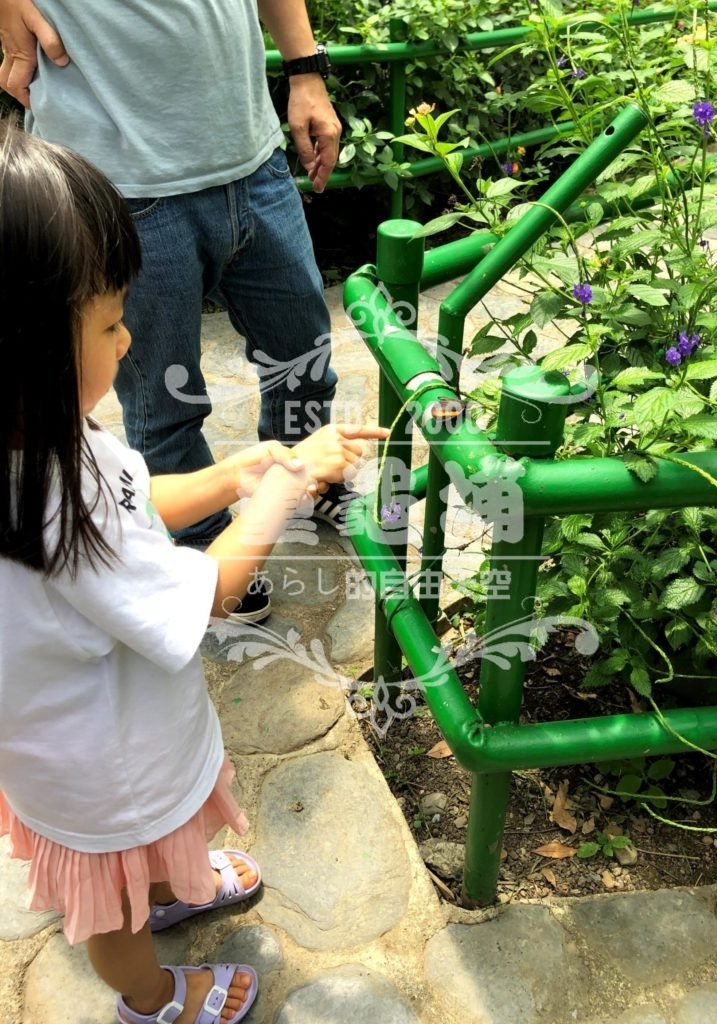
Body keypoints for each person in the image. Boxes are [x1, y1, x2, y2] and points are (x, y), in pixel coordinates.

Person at [0, 123, 386, 1024]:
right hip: (105, 768)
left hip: (72, 736)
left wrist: (228, 475)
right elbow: (202, 589)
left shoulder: (35, 447)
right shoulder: (57, 499)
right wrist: (283, 487)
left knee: (143, 863)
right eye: (107, 321)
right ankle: (151, 996)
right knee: (114, 906)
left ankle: (168, 888)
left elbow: (129, 492)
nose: (128, 340)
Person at [0, 0, 347, 622]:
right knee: (164, 404)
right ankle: (200, 548)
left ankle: (305, 478)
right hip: (123, 182)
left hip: (253, 156)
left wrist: (305, 68)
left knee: (304, 354)